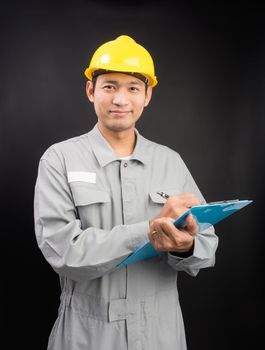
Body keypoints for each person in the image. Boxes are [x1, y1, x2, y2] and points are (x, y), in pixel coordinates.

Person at [34, 35, 219, 350]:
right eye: (109, 86)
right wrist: (148, 232)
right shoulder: (60, 159)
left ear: (147, 95)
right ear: (91, 90)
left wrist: (183, 248)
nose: (121, 99)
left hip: (161, 332)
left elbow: (207, 245)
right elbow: (62, 252)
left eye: (133, 88)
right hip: (88, 332)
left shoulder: (170, 162)